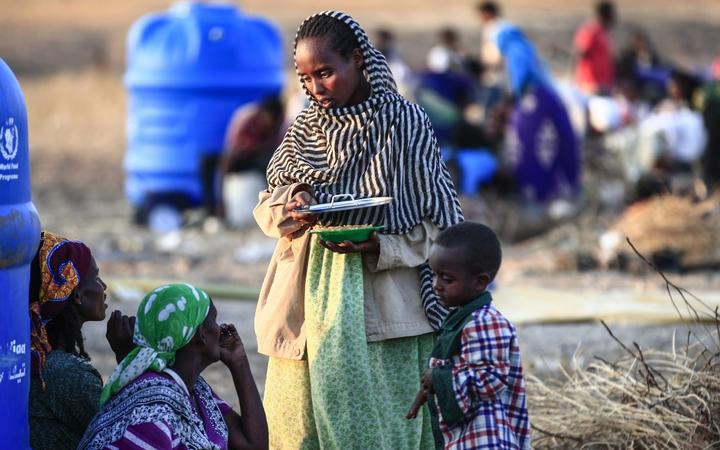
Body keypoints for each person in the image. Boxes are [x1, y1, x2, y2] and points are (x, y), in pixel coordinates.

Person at [253, 11, 462, 449]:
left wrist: (382, 246)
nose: (315, 89)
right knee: (298, 434)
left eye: (325, 73)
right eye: (306, 78)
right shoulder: (305, 128)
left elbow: (441, 226)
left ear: (358, 60)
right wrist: (292, 207)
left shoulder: (404, 124)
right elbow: (266, 208)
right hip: (305, 306)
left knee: (383, 432)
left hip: (386, 310)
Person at [78, 283, 268, 450]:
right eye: (214, 321)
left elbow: (254, 445)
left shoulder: (193, 389)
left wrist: (239, 362)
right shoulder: (154, 410)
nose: (220, 329)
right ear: (202, 333)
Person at [406, 222, 530, 449]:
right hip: (468, 435)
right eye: (434, 276)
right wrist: (427, 392)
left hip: (487, 437)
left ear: (480, 281)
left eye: (446, 279)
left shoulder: (485, 322)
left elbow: (490, 378)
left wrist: (438, 377)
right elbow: (461, 368)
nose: (435, 286)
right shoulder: (463, 318)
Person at [28, 231, 134, 450]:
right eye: (95, 278)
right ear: (76, 295)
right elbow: (130, 435)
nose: (103, 286)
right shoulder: (65, 373)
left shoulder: (44, 359)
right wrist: (128, 359)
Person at [201, 95, 286, 219]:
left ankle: (274, 209)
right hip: (241, 157)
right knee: (206, 162)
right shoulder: (247, 118)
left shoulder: (280, 122)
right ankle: (211, 210)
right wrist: (222, 201)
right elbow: (229, 155)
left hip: (263, 158)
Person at [573, 1, 617, 95]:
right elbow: (581, 53)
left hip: (605, 85)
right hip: (591, 85)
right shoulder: (590, 31)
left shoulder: (605, 33)